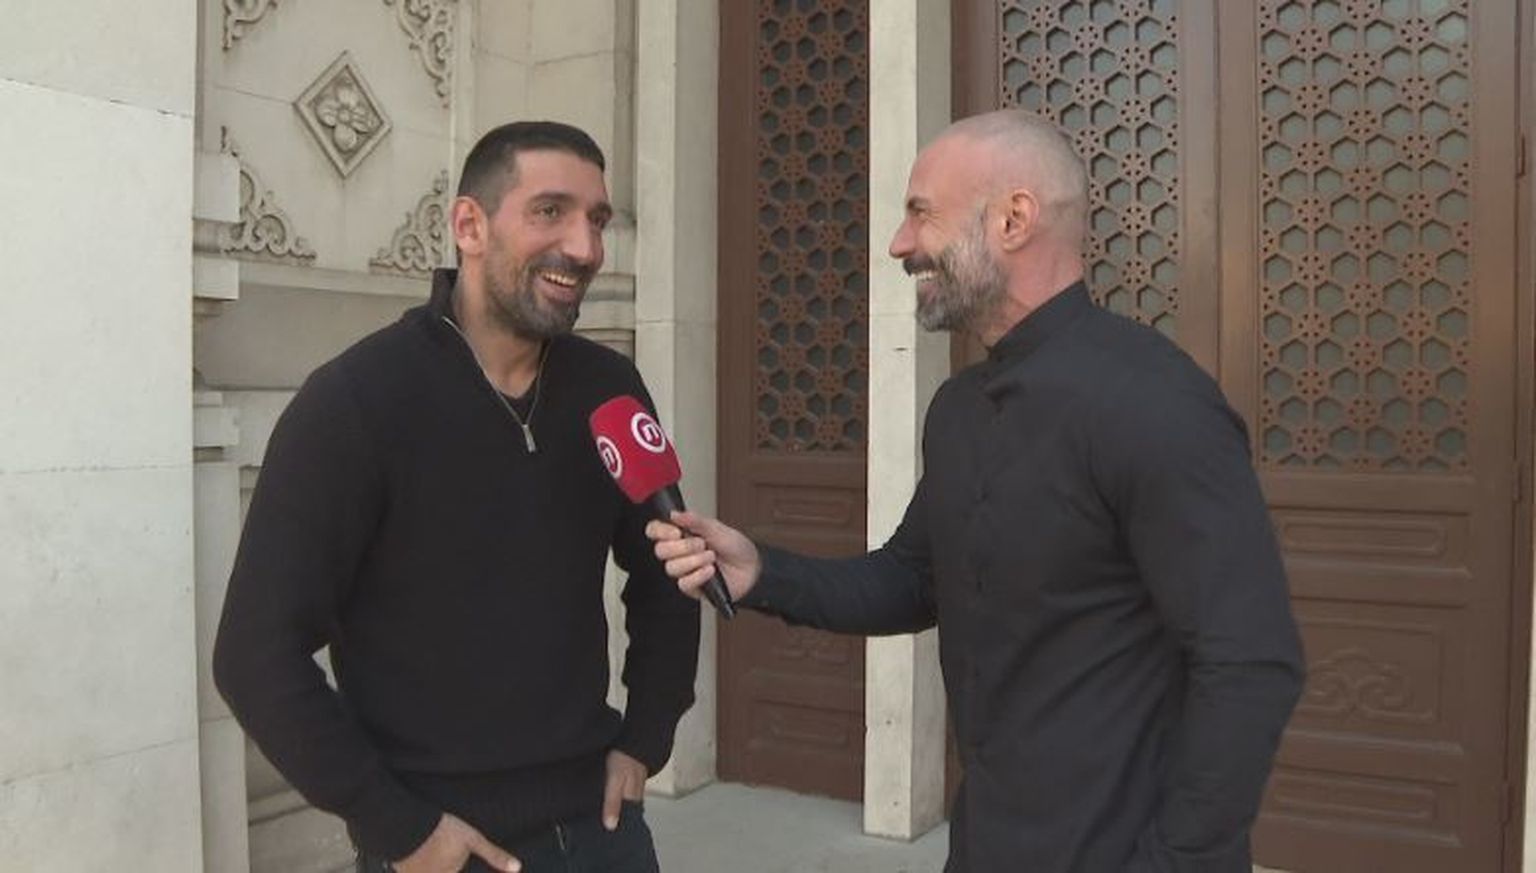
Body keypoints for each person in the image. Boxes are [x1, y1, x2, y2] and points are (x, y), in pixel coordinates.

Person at [649, 109, 1305, 872]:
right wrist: (761, 571)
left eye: (920, 212)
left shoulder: (1156, 402)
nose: (898, 243)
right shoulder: (957, 409)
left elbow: (1250, 660)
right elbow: (911, 578)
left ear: (1014, 219)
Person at [214, 121, 700, 873]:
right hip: (443, 845)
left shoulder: (609, 389)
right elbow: (255, 653)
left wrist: (646, 737)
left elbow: (672, 567)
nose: (584, 247)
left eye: (597, 220)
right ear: (469, 226)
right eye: (550, 211)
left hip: (604, 831)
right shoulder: (356, 402)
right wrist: (397, 826)